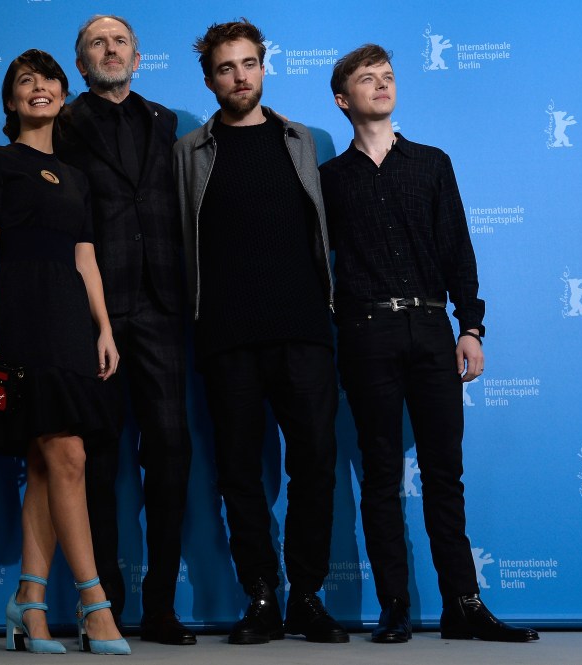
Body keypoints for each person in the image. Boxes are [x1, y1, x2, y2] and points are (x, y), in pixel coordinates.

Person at [319, 44, 539, 644]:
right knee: (380, 474)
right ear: (343, 99)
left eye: (388, 76)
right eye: (368, 79)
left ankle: (463, 604)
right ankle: (393, 607)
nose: (382, 85)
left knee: (445, 473)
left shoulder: (432, 163)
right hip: (366, 334)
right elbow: (316, 266)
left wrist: (471, 327)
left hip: (433, 328)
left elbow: (457, 250)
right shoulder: (329, 180)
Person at [173, 19, 348, 645]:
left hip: (304, 329)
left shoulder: (305, 141)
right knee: (239, 472)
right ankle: (261, 596)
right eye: (226, 67)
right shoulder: (188, 152)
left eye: (248, 63)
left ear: (264, 68)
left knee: (315, 465)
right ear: (210, 79)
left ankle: (308, 595)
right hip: (226, 337)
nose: (240, 76)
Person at [0, 48, 129, 656]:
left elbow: (87, 260)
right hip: (19, 318)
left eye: (49, 79)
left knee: (45, 462)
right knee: (67, 454)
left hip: (71, 323)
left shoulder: (76, 177)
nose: (40, 87)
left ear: (63, 93)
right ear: (11, 100)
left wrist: (104, 328)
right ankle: (94, 603)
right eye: (25, 81)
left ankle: (29, 603)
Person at [54, 15, 195, 645]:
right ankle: (102, 606)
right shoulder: (61, 124)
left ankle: (161, 607)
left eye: (120, 42)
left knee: (171, 454)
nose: (109, 50)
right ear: (81, 63)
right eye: (97, 44)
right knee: (98, 462)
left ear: (137, 58)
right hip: (92, 313)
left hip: (163, 307)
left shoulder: (168, 123)